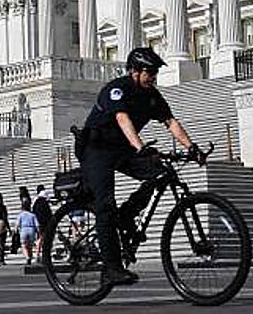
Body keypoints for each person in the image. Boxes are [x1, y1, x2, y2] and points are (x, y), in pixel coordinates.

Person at [78, 45, 206, 288]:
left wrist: (192, 147)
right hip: (97, 147)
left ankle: (126, 215)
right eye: (149, 71)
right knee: (105, 205)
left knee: (160, 174)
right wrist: (140, 147)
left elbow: (170, 122)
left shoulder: (152, 95)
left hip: (123, 148)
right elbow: (122, 118)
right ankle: (111, 268)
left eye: (155, 72)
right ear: (134, 71)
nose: (153, 76)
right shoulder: (117, 89)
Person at [31, 185, 52, 262]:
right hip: (45, 222)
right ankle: (40, 254)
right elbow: (49, 213)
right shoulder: (44, 202)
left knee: (40, 238)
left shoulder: (36, 201)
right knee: (43, 238)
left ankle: (38, 254)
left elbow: (33, 212)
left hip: (38, 222)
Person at [17, 199, 39, 265]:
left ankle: (27, 257)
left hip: (24, 229)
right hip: (31, 229)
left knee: (24, 245)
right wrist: (38, 232)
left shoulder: (21, 214)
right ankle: (30, 256)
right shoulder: (32, 215)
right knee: (30, 245)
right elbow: (37, 224)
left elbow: (17, 224)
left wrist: (16, 230)